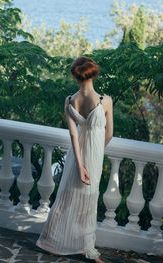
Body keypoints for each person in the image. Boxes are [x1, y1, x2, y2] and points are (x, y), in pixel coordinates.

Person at [36, 56, 113, 263]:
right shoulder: (106, 101)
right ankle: (88, 249)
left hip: (75, 157)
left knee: (65, 197)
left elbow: (72, 136)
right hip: (94, 156)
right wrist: (96, 152)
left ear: (76, 76)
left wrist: (79, 165)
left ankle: (50, 242)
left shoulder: (70, 101)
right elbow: (109, 134)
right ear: (94, 74)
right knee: (88, 201)